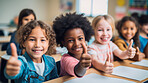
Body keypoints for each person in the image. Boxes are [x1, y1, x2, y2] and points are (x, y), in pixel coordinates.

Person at [53, 12, 94, 77]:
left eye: (80, 38)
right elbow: (78, 72)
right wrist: (82, 65)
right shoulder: (66, 59)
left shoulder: (89, 54)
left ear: (85, 38)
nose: (76, 44)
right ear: (63, 42)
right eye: (70, 40)